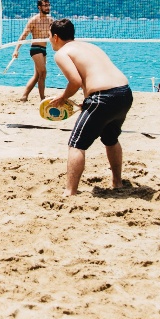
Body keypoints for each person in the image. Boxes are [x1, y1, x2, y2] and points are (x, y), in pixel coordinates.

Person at [46, 18, 133, 196]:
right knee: (111, 138)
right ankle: (117, 182)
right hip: (124, 93)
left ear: (55, 37)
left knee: (76, 145)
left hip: (103, 97)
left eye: (49, 36)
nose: (48, 40)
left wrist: (62, 97)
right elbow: (93, 76)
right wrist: (88, 101)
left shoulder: (62, 53)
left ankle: (70, 191)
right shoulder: (89, 46)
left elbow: (76, 81)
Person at [12, 0, 55, 102]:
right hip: (35, 49)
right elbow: (23, 35)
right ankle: (42, 98)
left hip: (44, 49)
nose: (47, 7)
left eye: (48, 5)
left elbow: (55, 35)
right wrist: (16, 50)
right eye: (45, 5)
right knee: (43, 72)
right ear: (39, 7)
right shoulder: (34, 20)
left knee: (37, 75)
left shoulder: (51, 20)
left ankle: (24, 96)